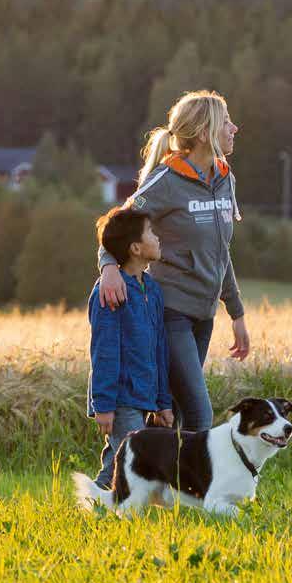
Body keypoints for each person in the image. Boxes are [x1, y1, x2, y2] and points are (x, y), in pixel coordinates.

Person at [98, 89, 250, 431]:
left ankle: (147, 477)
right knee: (199, 414)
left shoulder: (226, 179)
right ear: (202, 134)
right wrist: (108, 266)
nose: (234, 128)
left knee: (174, 414)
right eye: (225, 121)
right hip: (170, 312)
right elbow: (117, 226)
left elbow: (221, 251)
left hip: (204, 315)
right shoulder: (166, 182)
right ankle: (195, 486)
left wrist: (236, 313)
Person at [87, 205, 174, 489]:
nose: (157, 237)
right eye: (151, 232)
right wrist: (103, 405)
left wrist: (162, 402)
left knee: (120, 457)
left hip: (144, 395)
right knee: (124, 460)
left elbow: (159, 349)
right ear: (136, 248)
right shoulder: (111, 292)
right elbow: (104, 351)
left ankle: (95, 506)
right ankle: (94, 503)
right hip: (122, 397)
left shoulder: (152, 289)